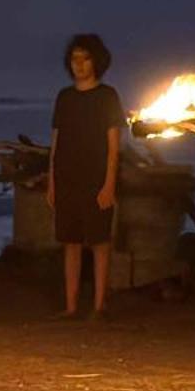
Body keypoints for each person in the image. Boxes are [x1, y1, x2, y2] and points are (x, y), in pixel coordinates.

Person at [47, 33, 123, 320]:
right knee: (71, 242)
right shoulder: (64, 97)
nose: (79, 65)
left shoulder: (107, 96)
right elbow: (55, 142)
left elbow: (114, 146)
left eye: (85, 58)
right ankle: (71, 306)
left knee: (100, 242)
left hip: (95, 177)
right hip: (67, 176)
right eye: (74, 59)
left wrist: (109, 184)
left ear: (96, 61)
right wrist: (51, 181)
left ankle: (99, 305)